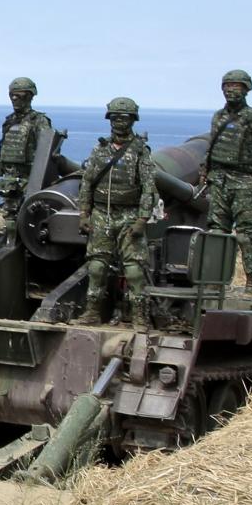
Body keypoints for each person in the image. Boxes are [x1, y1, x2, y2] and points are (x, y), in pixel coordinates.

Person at [75, 97, 158, 330]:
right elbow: (87, 183)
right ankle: (92, 311)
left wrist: (142, 219)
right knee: (97, 266)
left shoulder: (140, 151)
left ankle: (139, 315)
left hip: (129, 215)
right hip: (102, 214)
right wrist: (84, 214)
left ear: (132, 120)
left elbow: (148, 188)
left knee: (133, 269)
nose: (119, 122)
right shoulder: (100, 149)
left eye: (124, 118)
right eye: (115, 117)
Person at [199, 68, 252, 294]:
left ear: (246, 90)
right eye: (228, 86)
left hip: (244, 182)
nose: (231, 90)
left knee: (244, 236)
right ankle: (215, 280)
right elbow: (211, 145)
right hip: (219, 180)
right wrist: (205, 171)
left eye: (237, 86)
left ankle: (251, 282)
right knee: (216, 233)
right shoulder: (219, 116)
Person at [0, 77, 53, 228]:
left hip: (30, 180)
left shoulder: (39, 121)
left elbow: (46, 152)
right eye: (12, 95)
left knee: (31, 219)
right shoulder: (9, 121)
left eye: (20, 95)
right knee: (10, 219)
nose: (15, 99)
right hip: (9, 181)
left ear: (30, 96)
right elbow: (1, 153)